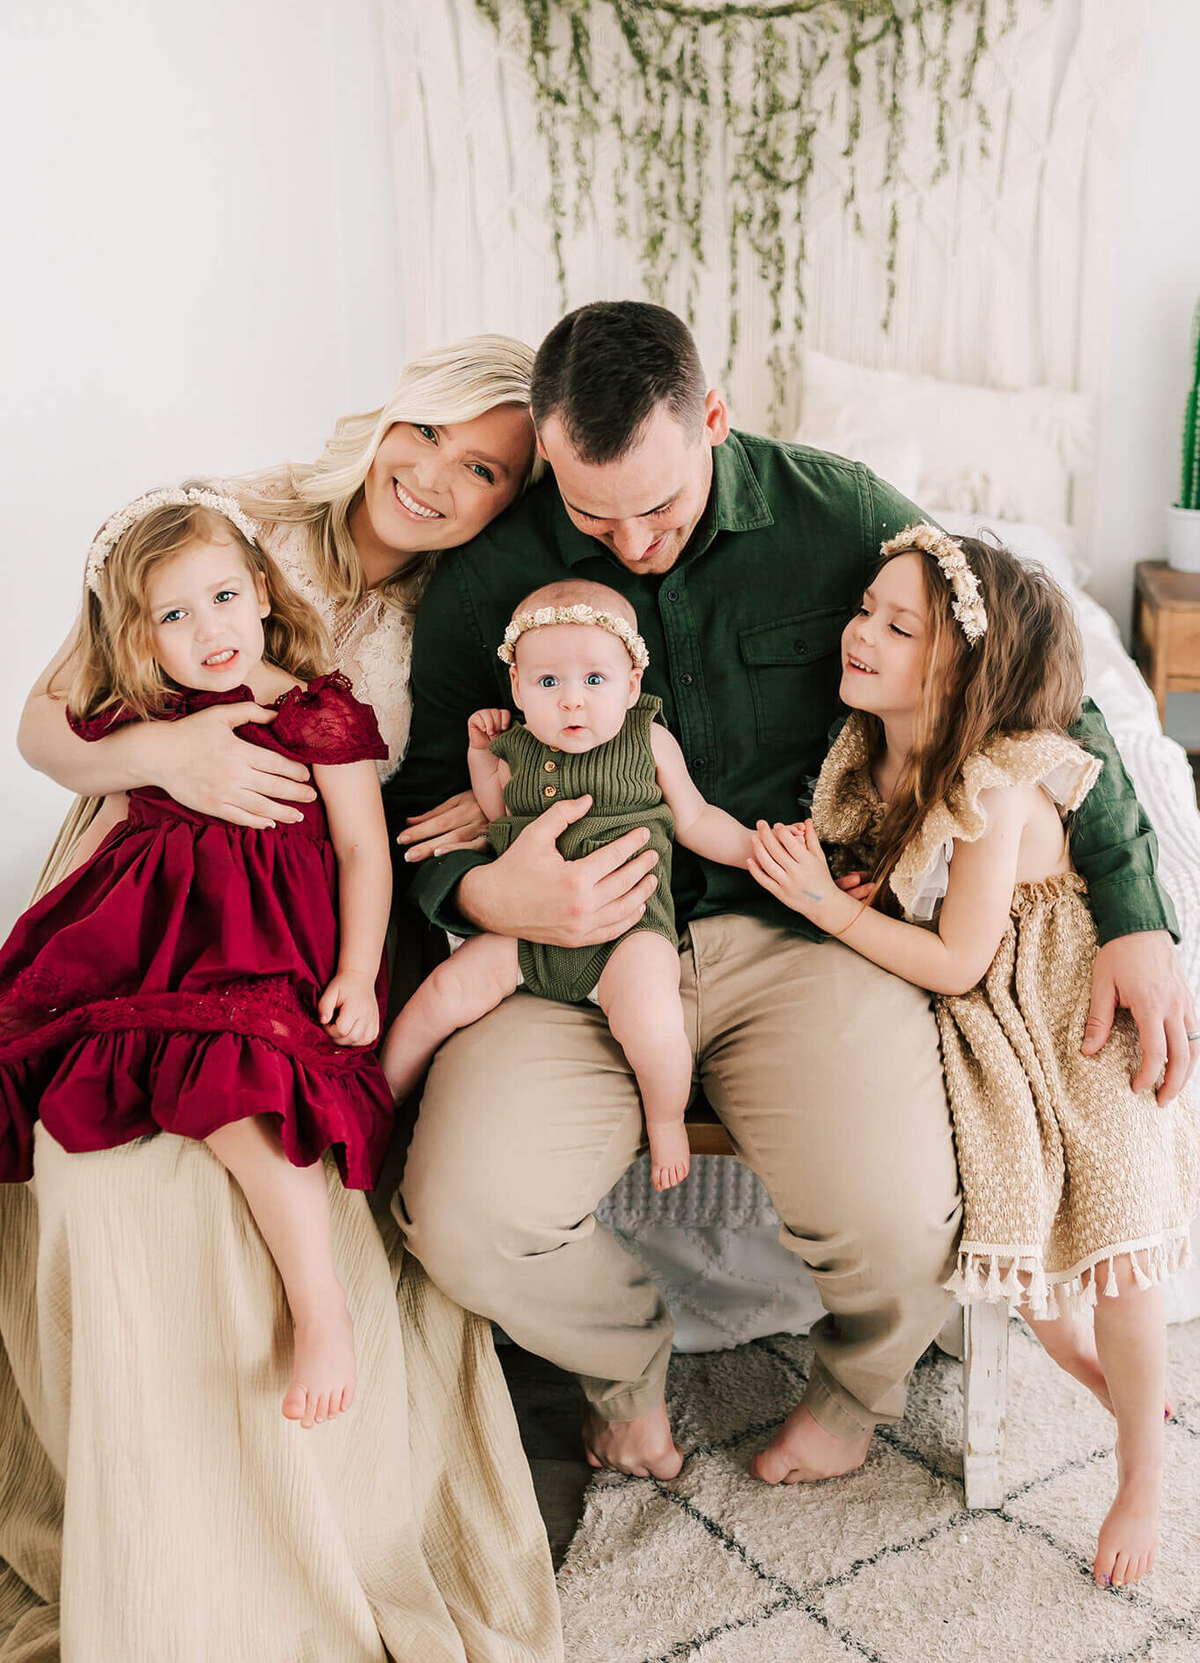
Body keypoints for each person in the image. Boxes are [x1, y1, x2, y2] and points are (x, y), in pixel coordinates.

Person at [389, 299, 1197, 1490]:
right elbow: (420, 791)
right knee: (459, 1216)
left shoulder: (839, 515)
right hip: (571, 947)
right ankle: (627, 1373)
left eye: (657, 507)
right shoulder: (494, 569)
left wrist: (1137, 915)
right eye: (589, 511)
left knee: (910, 1221)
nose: (630, 545)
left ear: (714, 418)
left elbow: (1036, 692)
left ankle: (854, 1390)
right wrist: (496, 890)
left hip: (801, 932)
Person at [2, 339, 563, 1663]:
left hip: (292, 925)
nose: (433, 476)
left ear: (505, 499)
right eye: (425, 433)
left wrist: (484, 826)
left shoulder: (472, 612)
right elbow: (42, 721)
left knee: (237, 1118)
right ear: (387, 417)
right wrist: (168, 747)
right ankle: (138, 1512)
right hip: (137, 891)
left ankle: (281, 1494)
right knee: (89, 1160)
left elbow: (391, 824)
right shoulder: (233, 524)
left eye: (481, 468)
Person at [747, 525, 1200, 1586]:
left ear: (962, 676)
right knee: (1030, 1277)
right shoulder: (878, 759)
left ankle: (1142, 1475)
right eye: (866, 609)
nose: (859, 632)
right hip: (998, 1026)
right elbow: (921, 893)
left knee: (1118, 1251)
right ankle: (1111, 1387)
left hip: (1068, 1017)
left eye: (899, 628)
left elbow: (956, 958)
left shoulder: (996, 784)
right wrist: (862, 891)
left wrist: (827, 909)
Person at [1, 487, 397, 1429]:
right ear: (141, 635)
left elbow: (360, 851)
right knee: (30, 1039)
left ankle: (321, 1306)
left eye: (223, 597)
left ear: (262, 590)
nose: (207, 628)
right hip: (150, 933)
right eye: (172, 615)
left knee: (231, 1085)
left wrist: (355, 971)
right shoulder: (147, 715)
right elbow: (75, 772)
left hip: (267, 942)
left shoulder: (317, 713)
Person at [383, 579, 754, 1189]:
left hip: (629, 932)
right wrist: (481, 755)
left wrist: (755, 850)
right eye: (548, 683)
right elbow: (500, 814)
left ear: (632, 684)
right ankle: (381, 1093)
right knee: (444, 992)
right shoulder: (517, 746)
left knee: (653, 1022)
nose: (572, 702)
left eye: (595, 681)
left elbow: (696, 820)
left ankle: (666, 1120)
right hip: (528, 930)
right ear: (518, 689)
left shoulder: (648, 739)